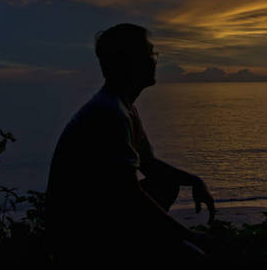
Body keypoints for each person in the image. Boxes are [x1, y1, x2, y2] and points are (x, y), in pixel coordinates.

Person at [45, 23, 215, 266]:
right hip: (78, 238)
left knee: (166, 183)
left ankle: (144, 245)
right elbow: (129, 195)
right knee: (194, 259)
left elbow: (149, 165)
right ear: (129, 62)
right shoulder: (109, 113)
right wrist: (187, 236)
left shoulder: (124, 108)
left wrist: (194, 180)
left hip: (99, 217)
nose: (155, 60)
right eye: (149, 53)